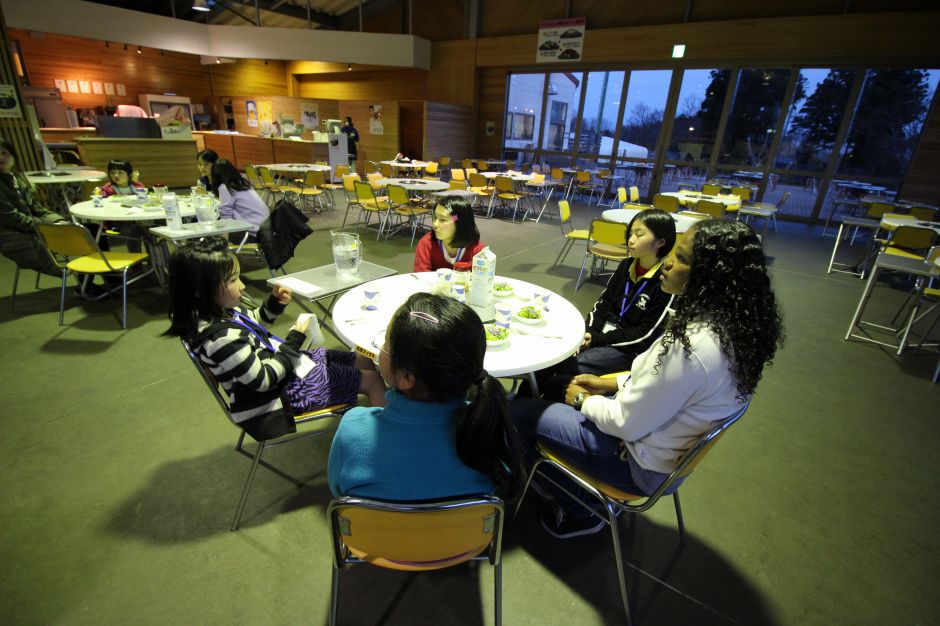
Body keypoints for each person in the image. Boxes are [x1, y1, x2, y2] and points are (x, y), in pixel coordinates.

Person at [512, 220, 784, 538]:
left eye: (682, 258)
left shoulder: (692, 348)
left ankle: (581, 507)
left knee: (515, 413)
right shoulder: (730, 331)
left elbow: (624, 423)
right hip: (660, 450)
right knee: (555, 386)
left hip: (634, 462)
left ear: (712, 277)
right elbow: (665, 385)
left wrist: (582, 400)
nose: (668, 262)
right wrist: (610, 384)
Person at [164, 237, 386, 441]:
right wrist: (295, 339)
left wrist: (273, 304)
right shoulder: (221, 339)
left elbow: (253, 323)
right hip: (276, 398)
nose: (242, 285)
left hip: (284, 368)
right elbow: (264, 380)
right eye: (232, 280)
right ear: (199, 290)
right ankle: (386, 443)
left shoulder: (219, 312)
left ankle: (367, 406)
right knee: (373, 380)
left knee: (362, 358)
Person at [328, 292, 526, 501]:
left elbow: (339, 490)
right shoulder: (489, 430)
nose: (382, 350)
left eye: (386, 344)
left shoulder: (352, 429)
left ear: (406, 377)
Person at [534, 209, 676, 399]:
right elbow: (603, 303)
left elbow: (644, 336)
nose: (631, 240)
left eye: (639, 234)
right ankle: (521, 402)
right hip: (602, 336)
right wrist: (588, 332)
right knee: (550, 354)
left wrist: (598, 339)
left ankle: (538, 404)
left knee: (571, 366)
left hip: (627, 350)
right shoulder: (626, 265)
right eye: (631, 233)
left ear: (661, 242)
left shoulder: (665, 282)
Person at [0, 139, 67, 276]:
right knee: (59, 261)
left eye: (4, 153)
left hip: (30, 228)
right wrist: (44, 227)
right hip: (12, 236)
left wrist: (58, 221)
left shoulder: (17, 178)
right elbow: (11, 217)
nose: (1, 157)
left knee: (80, 232)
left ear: (13, 156)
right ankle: (80, 280)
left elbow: (37, 208)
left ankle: (89, 280)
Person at [413, 196, 487, 272]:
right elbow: (421, 276)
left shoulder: (479, 252)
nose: (435, 224)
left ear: (460, 222)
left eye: (442, 220)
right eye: (435, 217)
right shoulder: (426, 244)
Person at [209, 159, 270, 233]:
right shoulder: (241, 182)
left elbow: (225, 214)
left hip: (254, 230)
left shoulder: (225, 187)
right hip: (266, 225)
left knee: (212, 233)